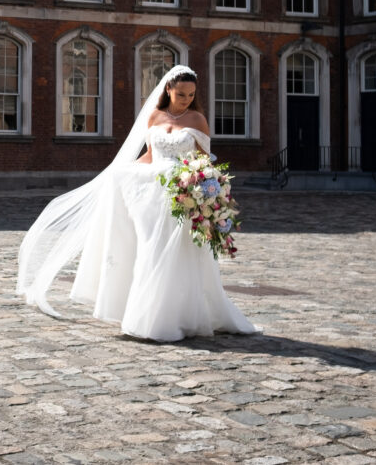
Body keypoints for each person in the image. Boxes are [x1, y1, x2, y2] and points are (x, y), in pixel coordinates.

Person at [17, 64, 257, 341]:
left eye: (191, 95)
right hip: (150, 195)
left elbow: (204, 161)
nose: (186, 99)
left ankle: (167, 318)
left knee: (167, 252)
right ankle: (144, 313)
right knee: (147, 249)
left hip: (181, 194)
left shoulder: (197, 120)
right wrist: (121, 171)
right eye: (181, 94)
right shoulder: (154, 116)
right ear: (168, 89)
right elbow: (150, 156)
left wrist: (196, 184)